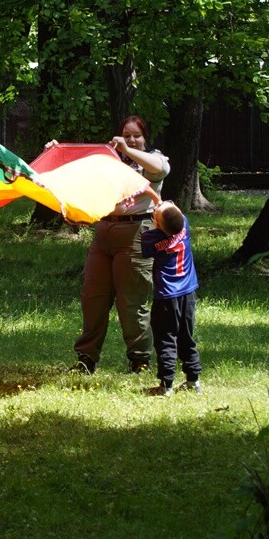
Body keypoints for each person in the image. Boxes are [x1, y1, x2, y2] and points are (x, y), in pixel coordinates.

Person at [71, 115, 170, 375]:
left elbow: (161, 170)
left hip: (137, 232)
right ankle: (86, 359)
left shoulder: (151, 158)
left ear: (145, 137)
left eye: (136, 135)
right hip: (104, 231)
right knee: (93, 297)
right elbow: (78, 174)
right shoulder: (110, 162)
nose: (131, 140)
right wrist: (57, 151)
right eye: (126, 135)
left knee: (131, 300)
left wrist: (129, 150)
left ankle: (140, 360)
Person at [141, 200, 202, 396]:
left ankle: (165, 385)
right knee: (186, 337)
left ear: (157, 224)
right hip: (188, 293)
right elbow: (172, 215)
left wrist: (156, 215)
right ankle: (193, 381)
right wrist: (165, 209)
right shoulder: (183, 223)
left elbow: (148, 249)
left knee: (165, 339)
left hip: (166, 297)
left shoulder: (150, 238)